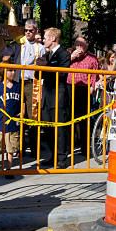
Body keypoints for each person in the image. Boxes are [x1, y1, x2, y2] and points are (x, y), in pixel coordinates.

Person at [1, 19, 45, 157]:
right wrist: (1, 38)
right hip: (17, 81)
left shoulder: (41, 47)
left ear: (36, 31)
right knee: (15, 113)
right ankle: (17, 147)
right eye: (25, 30)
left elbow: (43, 64)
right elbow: (4, 54)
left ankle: (34, 148)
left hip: (32, 83)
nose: (27, 33)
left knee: (32, 116)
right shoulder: (18, 43)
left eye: (30, 30)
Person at [39, 27, 70, 168]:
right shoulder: (46, 55)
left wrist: (46, 67)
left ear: (53, 38)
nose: (43, 39)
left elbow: (62, 74)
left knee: (59, 128)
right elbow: (38, 75)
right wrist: (40, 66)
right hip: (46, 94)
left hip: (58, 94)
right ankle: (53, 155)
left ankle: (62, 158)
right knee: (47, 127)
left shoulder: (64, 54)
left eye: (45, 37)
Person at [0, 65, 22, 178]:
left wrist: (22, 113)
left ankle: (8, 169)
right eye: (10, 70)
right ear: (3, 73)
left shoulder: (18, 86)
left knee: (11, 148)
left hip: (12, 122)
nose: (13, 73)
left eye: (14, 71)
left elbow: (23, 102)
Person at [67, 37, 99, 154]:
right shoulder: (69, 55)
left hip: (84, 89)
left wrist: (91, 89)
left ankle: (85, 148)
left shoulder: (92, 58)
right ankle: (69, 146)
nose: (79, 46)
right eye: (77, 44)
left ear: (86, 46)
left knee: (84, 119)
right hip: (69, 88)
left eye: (82, 44)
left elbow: (94, 77)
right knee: (69, 118)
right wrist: (71, 57)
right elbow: (62, 66)